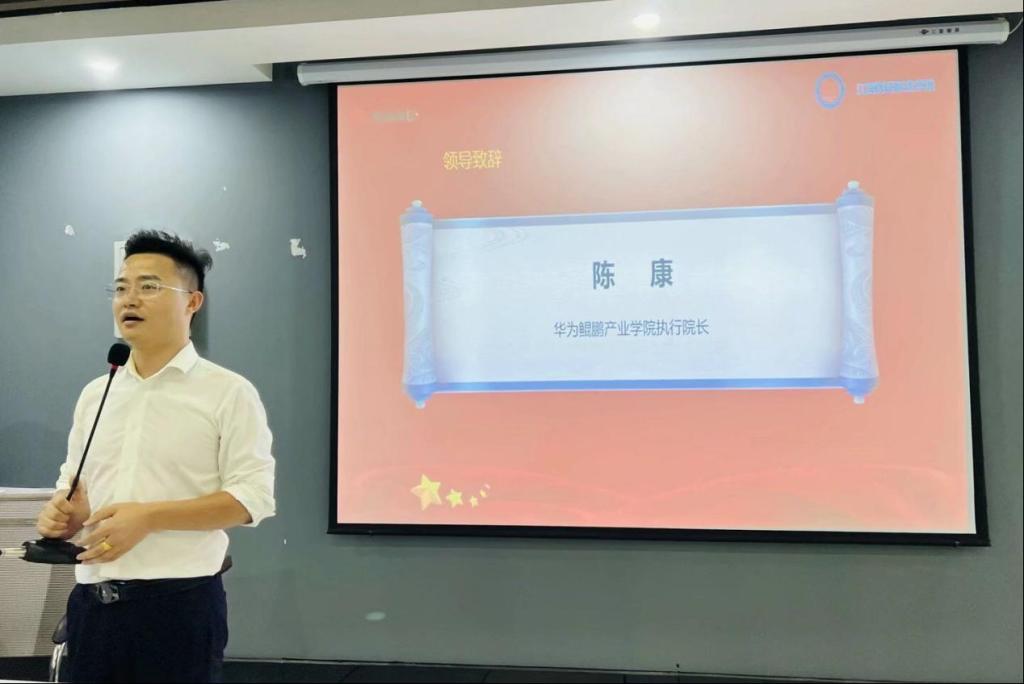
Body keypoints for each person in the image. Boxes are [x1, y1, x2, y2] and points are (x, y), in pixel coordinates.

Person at [35, 230, 276, 683]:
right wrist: (65, 515)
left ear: (192, 302)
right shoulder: (97, 393)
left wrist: (149, 518)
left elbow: (252, 498)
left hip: (178, 609)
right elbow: (74, 484)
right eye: (121, 287)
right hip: (93, 609)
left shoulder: (227, 392)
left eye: (149, 287)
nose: (130, 299)